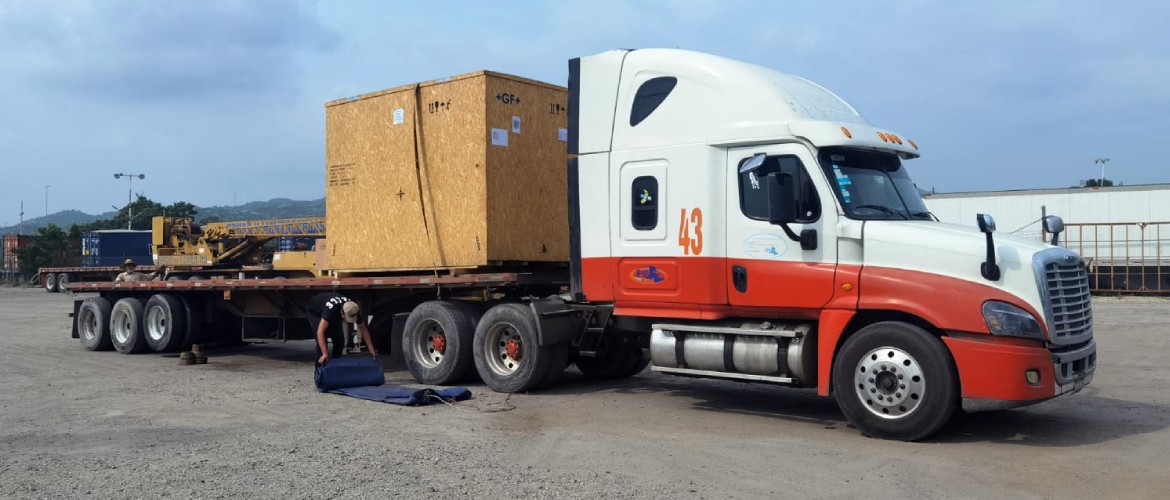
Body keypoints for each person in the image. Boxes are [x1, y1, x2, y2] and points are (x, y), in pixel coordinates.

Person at [307, 292, 377, 365]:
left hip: (334, 309)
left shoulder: (353, 309)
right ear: (342, 312)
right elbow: (320, 332)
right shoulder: (330, 311)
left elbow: (364, 330)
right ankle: (320, 372)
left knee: (339, 340)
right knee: (321, 343)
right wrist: (325, 353)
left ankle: (336, 366)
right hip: (315, 311)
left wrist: (371, 349)